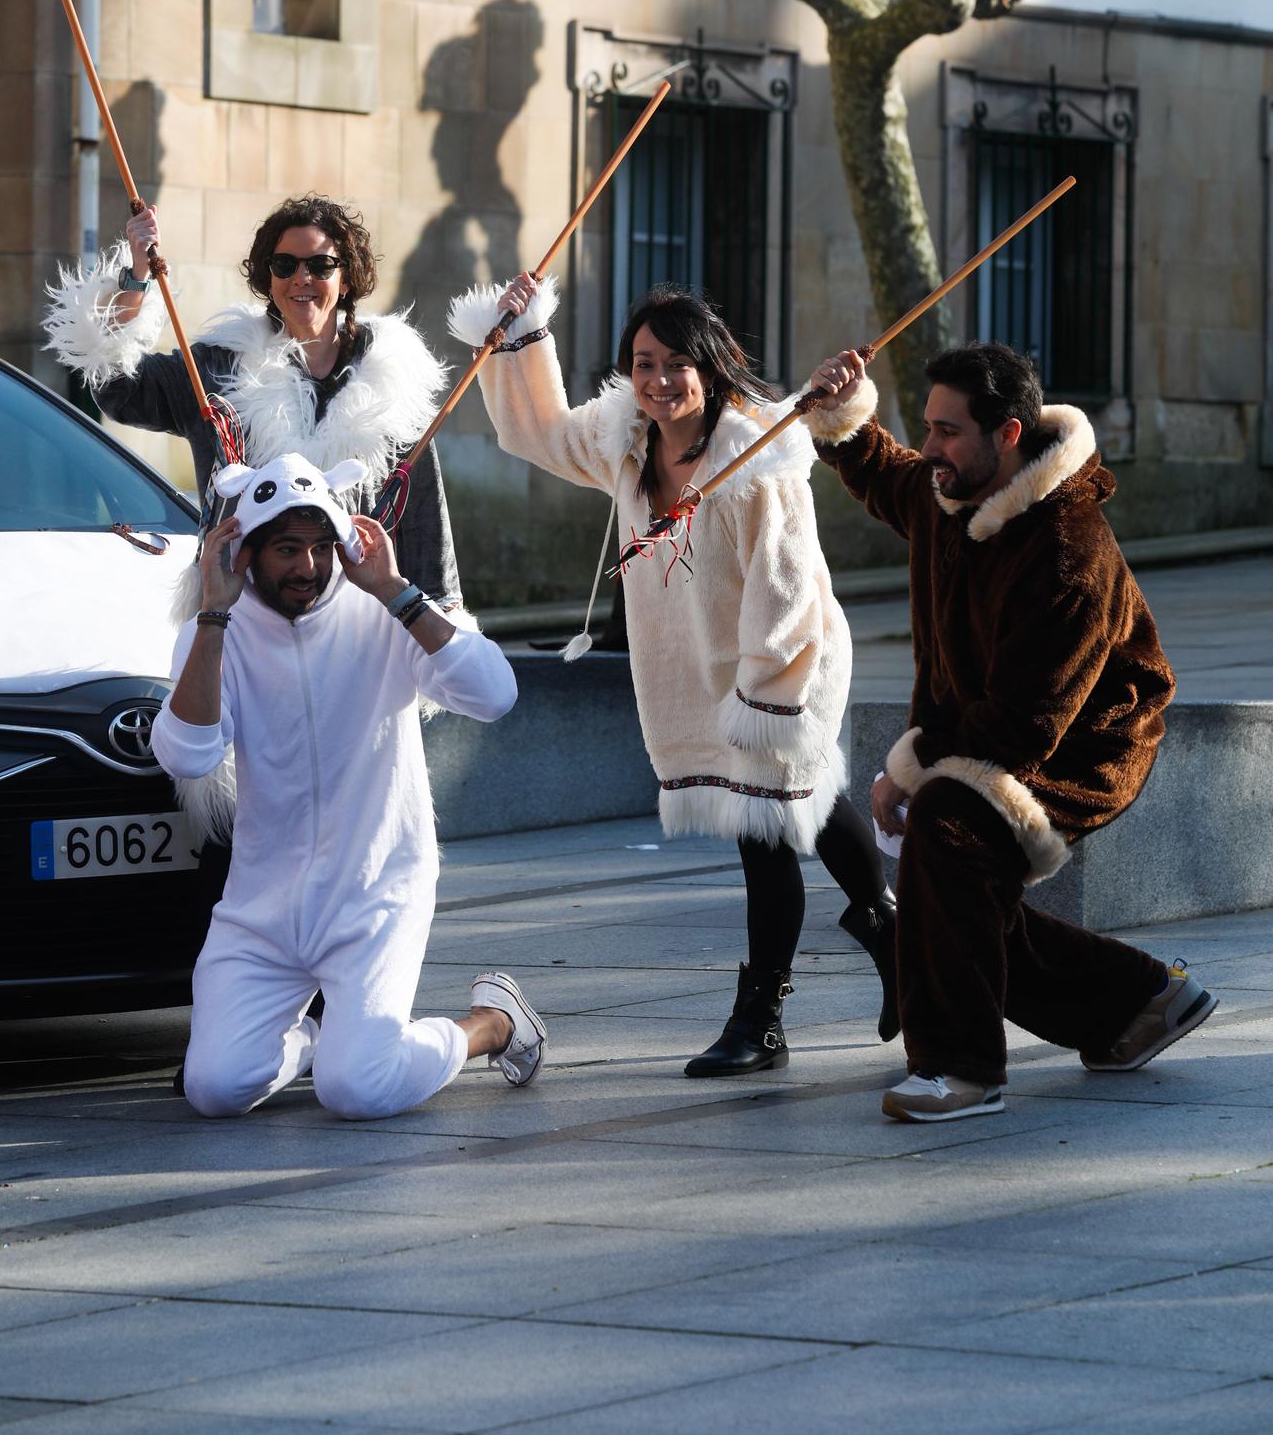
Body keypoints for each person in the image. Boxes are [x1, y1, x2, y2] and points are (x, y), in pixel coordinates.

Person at [450, 273, 897, 1076]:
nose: (658, 382)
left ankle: (759, 1020)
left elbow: (787, 585)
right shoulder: (624, 435)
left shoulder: (757, 451)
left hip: (779, 663)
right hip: (695, 667)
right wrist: (516, 334)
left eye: (676, 364)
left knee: (764, 827)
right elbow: (540, 433)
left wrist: (767, 694)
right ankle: (892, 936)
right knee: (808, 799)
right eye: (643, 362)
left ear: (712, 364)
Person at [807, 339, 1217, 1123]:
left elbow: (1027, 723)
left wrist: (911, 769)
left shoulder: (1069, 548)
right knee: (956, 899)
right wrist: (840, 413)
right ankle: (1139, 1002)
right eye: (926, 427)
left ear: (1007, 435)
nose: (929, 448)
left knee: (947, 829)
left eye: (948, 431)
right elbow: (883, 471)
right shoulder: (945, 491)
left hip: (1087, 744)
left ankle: (960, 1070)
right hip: (1002, 725)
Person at [45, 193, 467, 840]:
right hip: (242, 621)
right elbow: (115, 384)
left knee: (353, 803)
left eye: (320, 265)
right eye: (284, 264)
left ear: (346, 275)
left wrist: (433, 620)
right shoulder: (217, 366)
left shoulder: (395, 386)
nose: (302, 279)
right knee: (250, 807)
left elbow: (422, 521)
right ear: (266, 278)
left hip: (352, 630)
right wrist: (134, 276)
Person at [150, 451, 546, 1118]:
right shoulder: (216, 630)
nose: (306, 567)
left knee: (357, 1089)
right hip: (261, 907)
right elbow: (187, 757)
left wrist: (393, 590)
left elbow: (494, 694)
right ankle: (310, 1043)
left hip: (374, 896)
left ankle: (493, 1025)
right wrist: (213, 616)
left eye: (317, 546)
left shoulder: (382, 613)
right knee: (214, 1089)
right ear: (245, 553)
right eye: (284, 549)